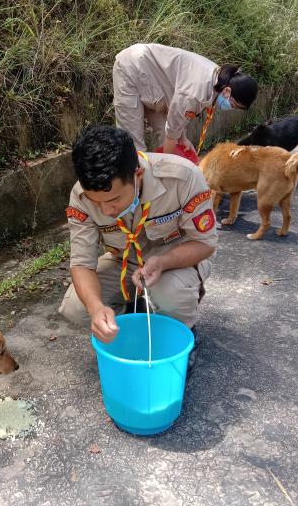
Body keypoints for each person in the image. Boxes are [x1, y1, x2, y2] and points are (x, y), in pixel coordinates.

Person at [59, 126, 217, 364]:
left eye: (114, 200)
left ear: (138, 175)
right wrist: (95, 309)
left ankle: (182, 337)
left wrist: (164, 262)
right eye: (96, 202)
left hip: (176, 258)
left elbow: (204, 244)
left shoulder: (182, 177)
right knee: (76, 306)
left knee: (170, 294)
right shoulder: (81, 195)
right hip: (124, 260)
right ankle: (134, 328)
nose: (106, 211)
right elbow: (82, 262)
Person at [113, 43, 258, 157]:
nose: (230, 108)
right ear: (227, 91)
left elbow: (175, 119)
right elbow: (172, 131)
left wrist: (183, 139)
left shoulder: (218, 79)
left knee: (168, 138)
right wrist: (166, 165)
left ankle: (153, 180)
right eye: (233, 104)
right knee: (133, 147)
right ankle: (136, 190)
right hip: (132, 69)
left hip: (154, 84)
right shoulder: (196, 93)